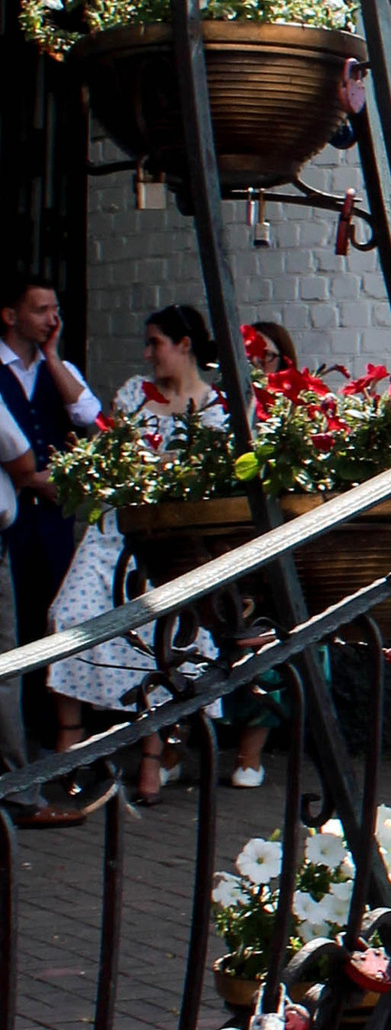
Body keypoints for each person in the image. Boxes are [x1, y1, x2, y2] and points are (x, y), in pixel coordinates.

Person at [46, 304, 235, 808]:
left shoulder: (216, 407)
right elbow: (116, 448)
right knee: (70, 617)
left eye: (156, 343)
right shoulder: (135, 393)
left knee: (160, 633)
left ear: (184, 345)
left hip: (170, 539)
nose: (148, 354)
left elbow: (210, 477)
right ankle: (71, 742)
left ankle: (151, 757)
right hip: (117, 528)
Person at [0, 273, 105, 774]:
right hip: (13, 516)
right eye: (40, 310)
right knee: (14, 621)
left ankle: (50, 728)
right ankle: (17, 737)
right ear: (11, 315)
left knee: (53, 615)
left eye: (55, 309)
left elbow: (88, 414)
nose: (50, 319)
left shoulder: (56, 368)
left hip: (54, 520)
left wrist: (54, 355)